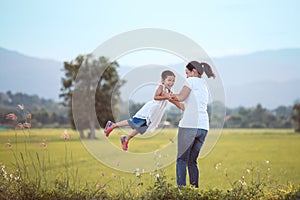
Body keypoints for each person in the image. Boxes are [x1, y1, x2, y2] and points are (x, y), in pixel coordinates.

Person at [104, 70, 182, 151]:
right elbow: (155, 97)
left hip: (156, 112)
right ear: (163, 80)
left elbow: (173, 100)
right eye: (169, 80)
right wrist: (167, 97)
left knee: (142, 127)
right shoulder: (161, 87)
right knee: (135, 122)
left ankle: (126, 138)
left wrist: (182, 105)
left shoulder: (170, 91)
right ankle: (112, 125)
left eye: (173, 81)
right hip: (150, 110)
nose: (171, 83)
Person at [170, 61, 215, 188]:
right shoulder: (203, 85)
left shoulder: (191, 81)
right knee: (192, 161)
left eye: (187, 73)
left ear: (194, 71)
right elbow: (184, 106)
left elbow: (181, 97)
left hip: (189, 126)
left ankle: (182, 192)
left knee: (181, 160)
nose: (187, 76)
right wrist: (171, 98)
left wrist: (170, 94)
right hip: (203, 127)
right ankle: (194, 191)